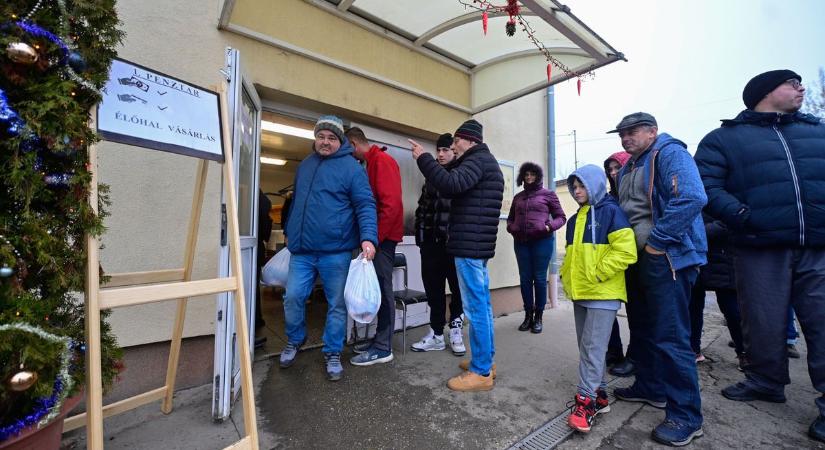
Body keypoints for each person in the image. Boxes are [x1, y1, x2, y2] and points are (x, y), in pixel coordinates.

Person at [695, 69, 825, 443]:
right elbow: (706, 184)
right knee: (761, 321)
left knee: (821, 322)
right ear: (766, 93)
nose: (801, 89)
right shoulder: (726, 139)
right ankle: (766, 381)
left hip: (817, 246)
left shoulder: (817, 132)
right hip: (758, 245)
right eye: (792, 83)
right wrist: (740, 216)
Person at [610, 112, 708, 446]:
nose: (625, 138)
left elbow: (692, 197)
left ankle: (686, 416)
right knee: (643, 331)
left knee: (671, 336)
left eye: (632, 132)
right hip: (636, 260)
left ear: (653, 131)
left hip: (666, 258)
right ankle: (651, 388)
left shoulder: (670, 153)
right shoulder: (628, 166)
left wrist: (656, 242)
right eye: (622, 134)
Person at [279, 115, 378, 382]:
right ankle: (295, 340)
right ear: (315, 138)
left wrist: (368, 238)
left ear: (341, 140)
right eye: (321, 136)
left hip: (336, 252)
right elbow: (297, 202)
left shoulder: (352, 168)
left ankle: (332, 351)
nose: (325, 141)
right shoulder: (306, 165)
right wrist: (289, 230)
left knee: (336, 304)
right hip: (302, 251)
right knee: (293, 297)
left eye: (331, 138)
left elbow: (365, 205)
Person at [410, 119, 504, 392]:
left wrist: (424, 159)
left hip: (469, 247)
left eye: (456, 141)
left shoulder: (477, 160)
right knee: (482, 306)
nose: (453, 146)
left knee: (476, 309)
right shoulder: (482, 161)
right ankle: (485, 360)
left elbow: (451, 183)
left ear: (470, 141)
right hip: (474, 246)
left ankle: (481, 372)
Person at [560, 164, 637, 433]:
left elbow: (627, 251)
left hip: (603, 293)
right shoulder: (575, 219)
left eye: (582, 186)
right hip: (580, 293)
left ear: (594, 184)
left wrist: (598, 272)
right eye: (575, 187)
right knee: (588, 349)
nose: (578, 191)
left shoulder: (612, 212)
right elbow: (571, 255)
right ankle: (600, 396)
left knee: (593, 350)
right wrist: (565, 277)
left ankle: (586, 403)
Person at [345, 127, 405, 366]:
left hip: (383, 239)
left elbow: (391, 205)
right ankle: (379, 340)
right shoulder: (371, 163)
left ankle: (383, 347)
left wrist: (375, 241)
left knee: (382, 288)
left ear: (352, 143)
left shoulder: (382, 161)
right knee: (378, 289)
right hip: (378, 238)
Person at [411, 133, 465, 355]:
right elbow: (423, 208)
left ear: (454, 151)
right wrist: (421, 238)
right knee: (433, 291)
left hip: (454, 246)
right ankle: (436, 334)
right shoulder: (431, 177)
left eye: (445, 150)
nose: (441, 155)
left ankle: (456, 329)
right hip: (432, 245)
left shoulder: (462, 174)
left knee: (458, 290)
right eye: (438, 151)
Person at [506, 162, 566, 334]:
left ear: (538, 176)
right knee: (525, 279)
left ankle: (538, 317)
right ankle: (528, 316)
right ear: (522, 177)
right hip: (521, 242)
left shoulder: (548, 195)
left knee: (539, 278)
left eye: (532, 174)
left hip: (542, 242)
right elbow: (510, 218)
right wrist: (511, 228)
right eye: (526, 175)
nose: (529, 177)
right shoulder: (518, 197)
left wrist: (548, 227)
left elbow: (561, 217)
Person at [691, 213, 745, 368]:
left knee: (732, 309)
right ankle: (692, 350)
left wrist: (698, 231)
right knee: (692, 307)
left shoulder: (726, 190)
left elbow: (732, 218)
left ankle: (745, 352)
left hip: (722, 255)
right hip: (695, 254)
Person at [603, 151, 633, 370]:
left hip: (637, 260)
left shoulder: (635, 194)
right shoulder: (608, 199)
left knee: (636, 314)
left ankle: (634, 358)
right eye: (610, 169)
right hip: (613, 262)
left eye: (618, 168)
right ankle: (613, 353)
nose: (613, 173)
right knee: (607, 312)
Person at [255, 189, 273, 348]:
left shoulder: (252, 195)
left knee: (251, 287)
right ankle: (256, 318)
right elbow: (266, 225)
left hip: (251, 246)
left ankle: (254, 320)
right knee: (253, 287)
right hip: (256, 246)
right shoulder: (263, 200)